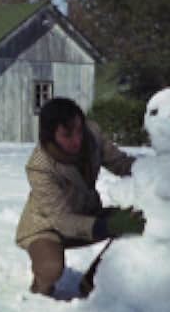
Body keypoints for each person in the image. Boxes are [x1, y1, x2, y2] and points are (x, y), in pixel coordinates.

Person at [15, 97, 147, 299]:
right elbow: (61, 220)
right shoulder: (39, 166)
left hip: (87, 213)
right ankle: (39, 292)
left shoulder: (91, 134)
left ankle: (93, 282)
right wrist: (108, 226)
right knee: (51, 268)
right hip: (46, 227)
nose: (77, 139)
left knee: (136, 219)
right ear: (50, 135)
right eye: (67, 135)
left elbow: (120, 163)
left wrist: (154, 172)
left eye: (78, 130)